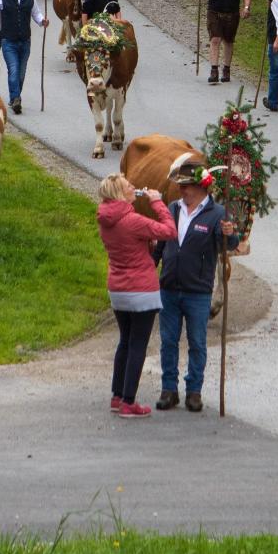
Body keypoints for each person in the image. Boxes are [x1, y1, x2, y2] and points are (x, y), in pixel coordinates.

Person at [155, 164, 237, 412]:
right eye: (180, 185)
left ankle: (194, 392)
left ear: (201, 187)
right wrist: (149, 272)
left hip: (198, 292)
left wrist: (230, 234)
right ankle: (169, 390)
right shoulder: (172, 209)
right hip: (168, 288)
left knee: (197, 343)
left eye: (186, 186)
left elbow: (228, 246)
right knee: (168, 341)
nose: (181, 190)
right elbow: (160, 247)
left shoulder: (218, 213)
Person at [96, 173, 176, 419]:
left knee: (125, 341)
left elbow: (129, 242)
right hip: (141, 290)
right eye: (129, 186)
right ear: (120, 193)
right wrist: (157, 202)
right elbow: (169, 231)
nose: (134, 188)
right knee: (138, 345)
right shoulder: (133, 220)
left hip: (118, 289)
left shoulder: (106, 218)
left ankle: (117, 395)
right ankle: (129, 401)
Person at [197, 0, 250, 86]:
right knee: (215, 39)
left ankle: (226, 69)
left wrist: (246, 7)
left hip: (232, 13)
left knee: (228, 41)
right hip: (214, 12)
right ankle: (214, 71)